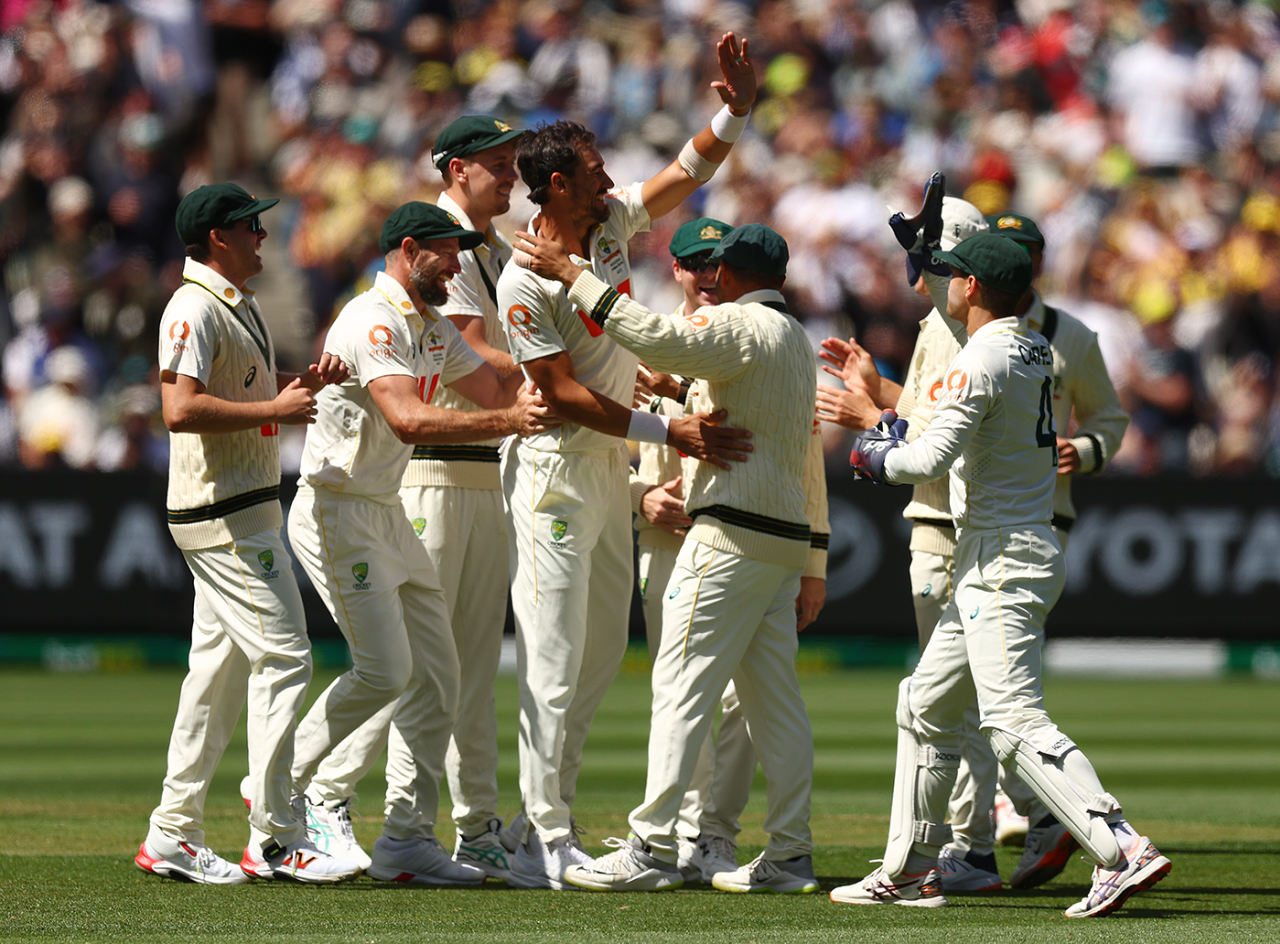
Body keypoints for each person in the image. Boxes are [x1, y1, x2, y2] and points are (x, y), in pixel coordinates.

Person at [828, 233, 1171, 918]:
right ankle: (909, 868)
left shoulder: (980, 358)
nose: (946, 282)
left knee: (1011, 719)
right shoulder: (1035, 347)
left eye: (953, 274)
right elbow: (958, 406)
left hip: (999, 561)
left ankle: (1122, 847)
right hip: (1012, 551)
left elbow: (924, 461)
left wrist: (868, 445)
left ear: (974, 288)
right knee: (923, 702)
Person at [495, 31, 759, 890]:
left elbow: (685, 174)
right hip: (557, 474)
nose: (612, 181)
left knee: (603, 651)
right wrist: (665, 434)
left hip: (610, 470)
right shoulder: (522, 281)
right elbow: (560, 393)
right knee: (556, 656)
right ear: (557, 183)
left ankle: (550, 818)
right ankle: (542, 833)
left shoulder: (602, 225)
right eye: (596, 169)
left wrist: (735, 109)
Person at [514, 222, 829, 893]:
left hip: (726, 539)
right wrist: (671, 390)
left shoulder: (741, 325)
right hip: (777, 541)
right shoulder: (793, 337)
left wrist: (575, 277)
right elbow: (719, 388)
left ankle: (652, 846)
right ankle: (791, 852)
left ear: (737, 273)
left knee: (681, 687)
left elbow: (660, 336)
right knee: (774, 703)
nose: (712, 280)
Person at [285, 201, 554, 887]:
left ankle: (405, 837)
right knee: (384, 672)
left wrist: (581, 358)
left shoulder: (430, 326)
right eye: (447, 252)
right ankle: (294, 794)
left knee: (442, 675)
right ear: (409, 250)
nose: (458, 265)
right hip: (337, 510)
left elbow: (498, 382)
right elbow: (407, 420)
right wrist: (510, 419)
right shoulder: (372, 319)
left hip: (384, 514)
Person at [135, 183, 360, 885]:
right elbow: (180, 409)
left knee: (219, 673)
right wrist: (275, 406)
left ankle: (173, 832)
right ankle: (276, 838)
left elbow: (239, 391)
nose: (263, 234)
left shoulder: (236, 302)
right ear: (218, 237)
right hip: (225, 514)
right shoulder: (194, 305)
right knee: (288, 658)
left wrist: (299, 387)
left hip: (244, 505)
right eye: (250, 226)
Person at [628, 217, 754, 883]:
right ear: (675, 269)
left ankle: (716, 834)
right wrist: (640, 495)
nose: (707, 275)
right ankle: (680, 834)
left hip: (740, 538)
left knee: (744, 699)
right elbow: (599, 443)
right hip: (665, 542)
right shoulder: (647, 342)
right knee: (679, 691)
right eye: (694, 263)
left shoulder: (755, 338)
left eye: (717, 263)